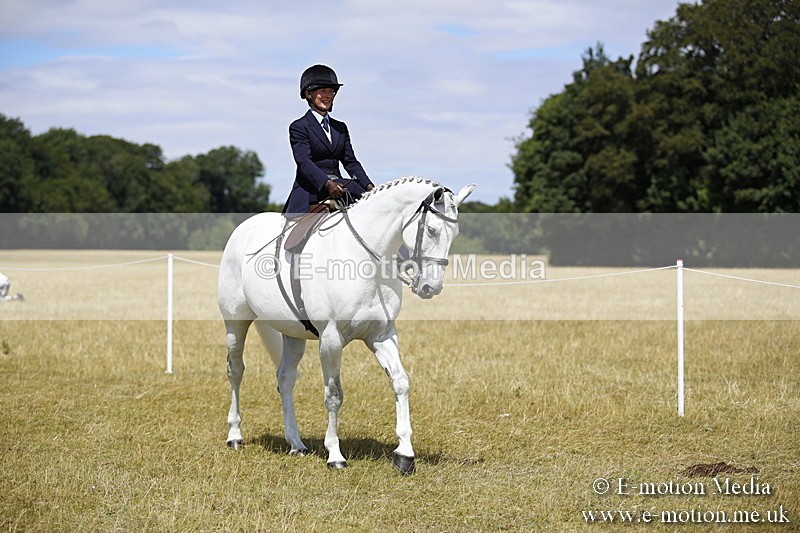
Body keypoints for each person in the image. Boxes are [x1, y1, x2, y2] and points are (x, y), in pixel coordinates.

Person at [282, 64, 375, 218]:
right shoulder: (299, 127)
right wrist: (328, 184)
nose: (328, 95)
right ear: (308, 94)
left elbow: (350, 162)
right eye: (322, 91)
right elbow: (304, 162)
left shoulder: (340, 128)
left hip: (339, 187)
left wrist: (370, 187)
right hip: (312, 190)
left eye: (331, 91)